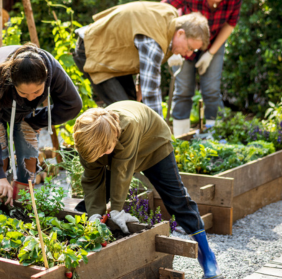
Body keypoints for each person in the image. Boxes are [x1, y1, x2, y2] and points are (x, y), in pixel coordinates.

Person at [73, 101, 223, 279]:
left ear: (112, 138)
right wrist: (95, 216)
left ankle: (207, 256)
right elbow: (92, 180)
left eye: (104, 151)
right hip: (114, 148)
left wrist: (116, 209)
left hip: (153, 145)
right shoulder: (88, 138)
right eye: (96, 155)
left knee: (176, 198)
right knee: (92, 204)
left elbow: (122, 171)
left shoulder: (128, 125)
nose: (99, 157)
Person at [0, 43, 82, 205]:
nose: (31, 98)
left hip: (24, 110)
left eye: (37, 92)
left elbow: (73, 104)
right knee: (0, 149)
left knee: (28, 153)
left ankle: (22, 203)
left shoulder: (53, 70)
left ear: (46, 79)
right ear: (12, 82)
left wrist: (36, 120)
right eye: (24, 93)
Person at [72, 1, 210, 117]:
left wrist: (140, 84)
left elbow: (143, 56)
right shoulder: (155, 41)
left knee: (133, 106)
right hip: (92, 49)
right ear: (181, 33)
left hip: (113, 55)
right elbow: (151, 93)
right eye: (190, 48)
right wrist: (161, 135)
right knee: (126, 113)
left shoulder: (170, 17)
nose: (188, 54)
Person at [163, 0, 243, 136]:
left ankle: (216, 137)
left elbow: (230, 24)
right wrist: (170, 47)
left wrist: (210, 53)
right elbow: (163, 11)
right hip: (187, 40)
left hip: (214, 41)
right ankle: (180, 137)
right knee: (183, 90)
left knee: (211, 90)